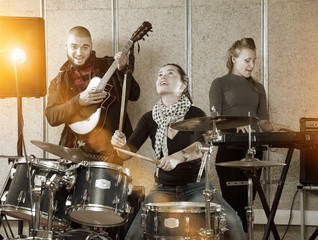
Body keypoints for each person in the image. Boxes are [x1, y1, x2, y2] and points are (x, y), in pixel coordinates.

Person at [111, 64, 245, 240]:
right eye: (160, 74)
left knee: (233, 221)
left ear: (182, 86)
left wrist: (177, 157)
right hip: (162, 189)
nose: (162, 77)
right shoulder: (149, 118)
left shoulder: (196, 114)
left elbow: (201, 147)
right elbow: (127, 153)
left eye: (170, 73)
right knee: (134, 235)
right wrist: (120, 146)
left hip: (195, 188)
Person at [209, 38, 291, 234]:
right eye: (247, 60)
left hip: (253, 153)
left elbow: (263, 123)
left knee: (247, 207)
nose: (252, 65)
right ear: (234, 58)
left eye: (254, 61)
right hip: (229, 151)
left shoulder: (258, 87)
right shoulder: (219, 83)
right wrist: (237, 124)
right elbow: (214, 120)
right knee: (231, 206)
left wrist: (278, 128)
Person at [45, 26, 140, 163]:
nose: (79, 52)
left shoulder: (109, 66)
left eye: (85, 47)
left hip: (108, 152)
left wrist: (122, 70)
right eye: (74, 46)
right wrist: (78, 101)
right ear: (66, 46)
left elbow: (134, 95)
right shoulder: (59, 81)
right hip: (73, 152)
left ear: (91, 47)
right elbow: (51, 117)